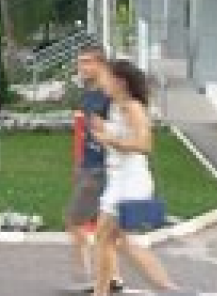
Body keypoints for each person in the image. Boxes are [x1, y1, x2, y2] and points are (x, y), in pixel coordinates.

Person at [90, 60, 179, 296]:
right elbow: (118, 135)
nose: (103, 82)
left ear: (120, 82)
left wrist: (109, 139)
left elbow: (144, 144)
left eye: (107, 78)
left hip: (130, 181)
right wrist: (103, 130)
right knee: (118, 242)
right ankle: (167, 287)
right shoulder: (114, 107)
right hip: (118, 180)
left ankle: (102, 292)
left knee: (106, 239)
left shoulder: (133, 108)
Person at [64, 45, 123, 293]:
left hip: (102, 168)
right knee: (104, 229)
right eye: (80, 62)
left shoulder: (111, 95)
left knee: (74, 220)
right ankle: (112, 277)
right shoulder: (88, 94)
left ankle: (93, 276)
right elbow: (86, 132)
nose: (82, 67)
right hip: (89, 165)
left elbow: (121, 128)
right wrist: (79, 164)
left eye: (87, 61)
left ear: (101, 64)